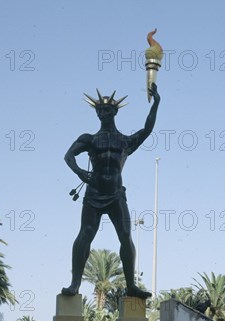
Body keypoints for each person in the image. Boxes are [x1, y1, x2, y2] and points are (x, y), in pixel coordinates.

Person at [61, 83, 160, 299]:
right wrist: (78, 172)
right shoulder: (90, 139)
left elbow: (148, 129)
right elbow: (68, 156)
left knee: (126, 236)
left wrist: (156, 103)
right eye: (100, 111)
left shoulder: (125, 141)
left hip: (116, 194)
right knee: (85, 234)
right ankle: (75, 282)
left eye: (107, 110)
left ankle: (131, 286)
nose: (103, 114)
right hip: (94, 193)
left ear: (115, 111)